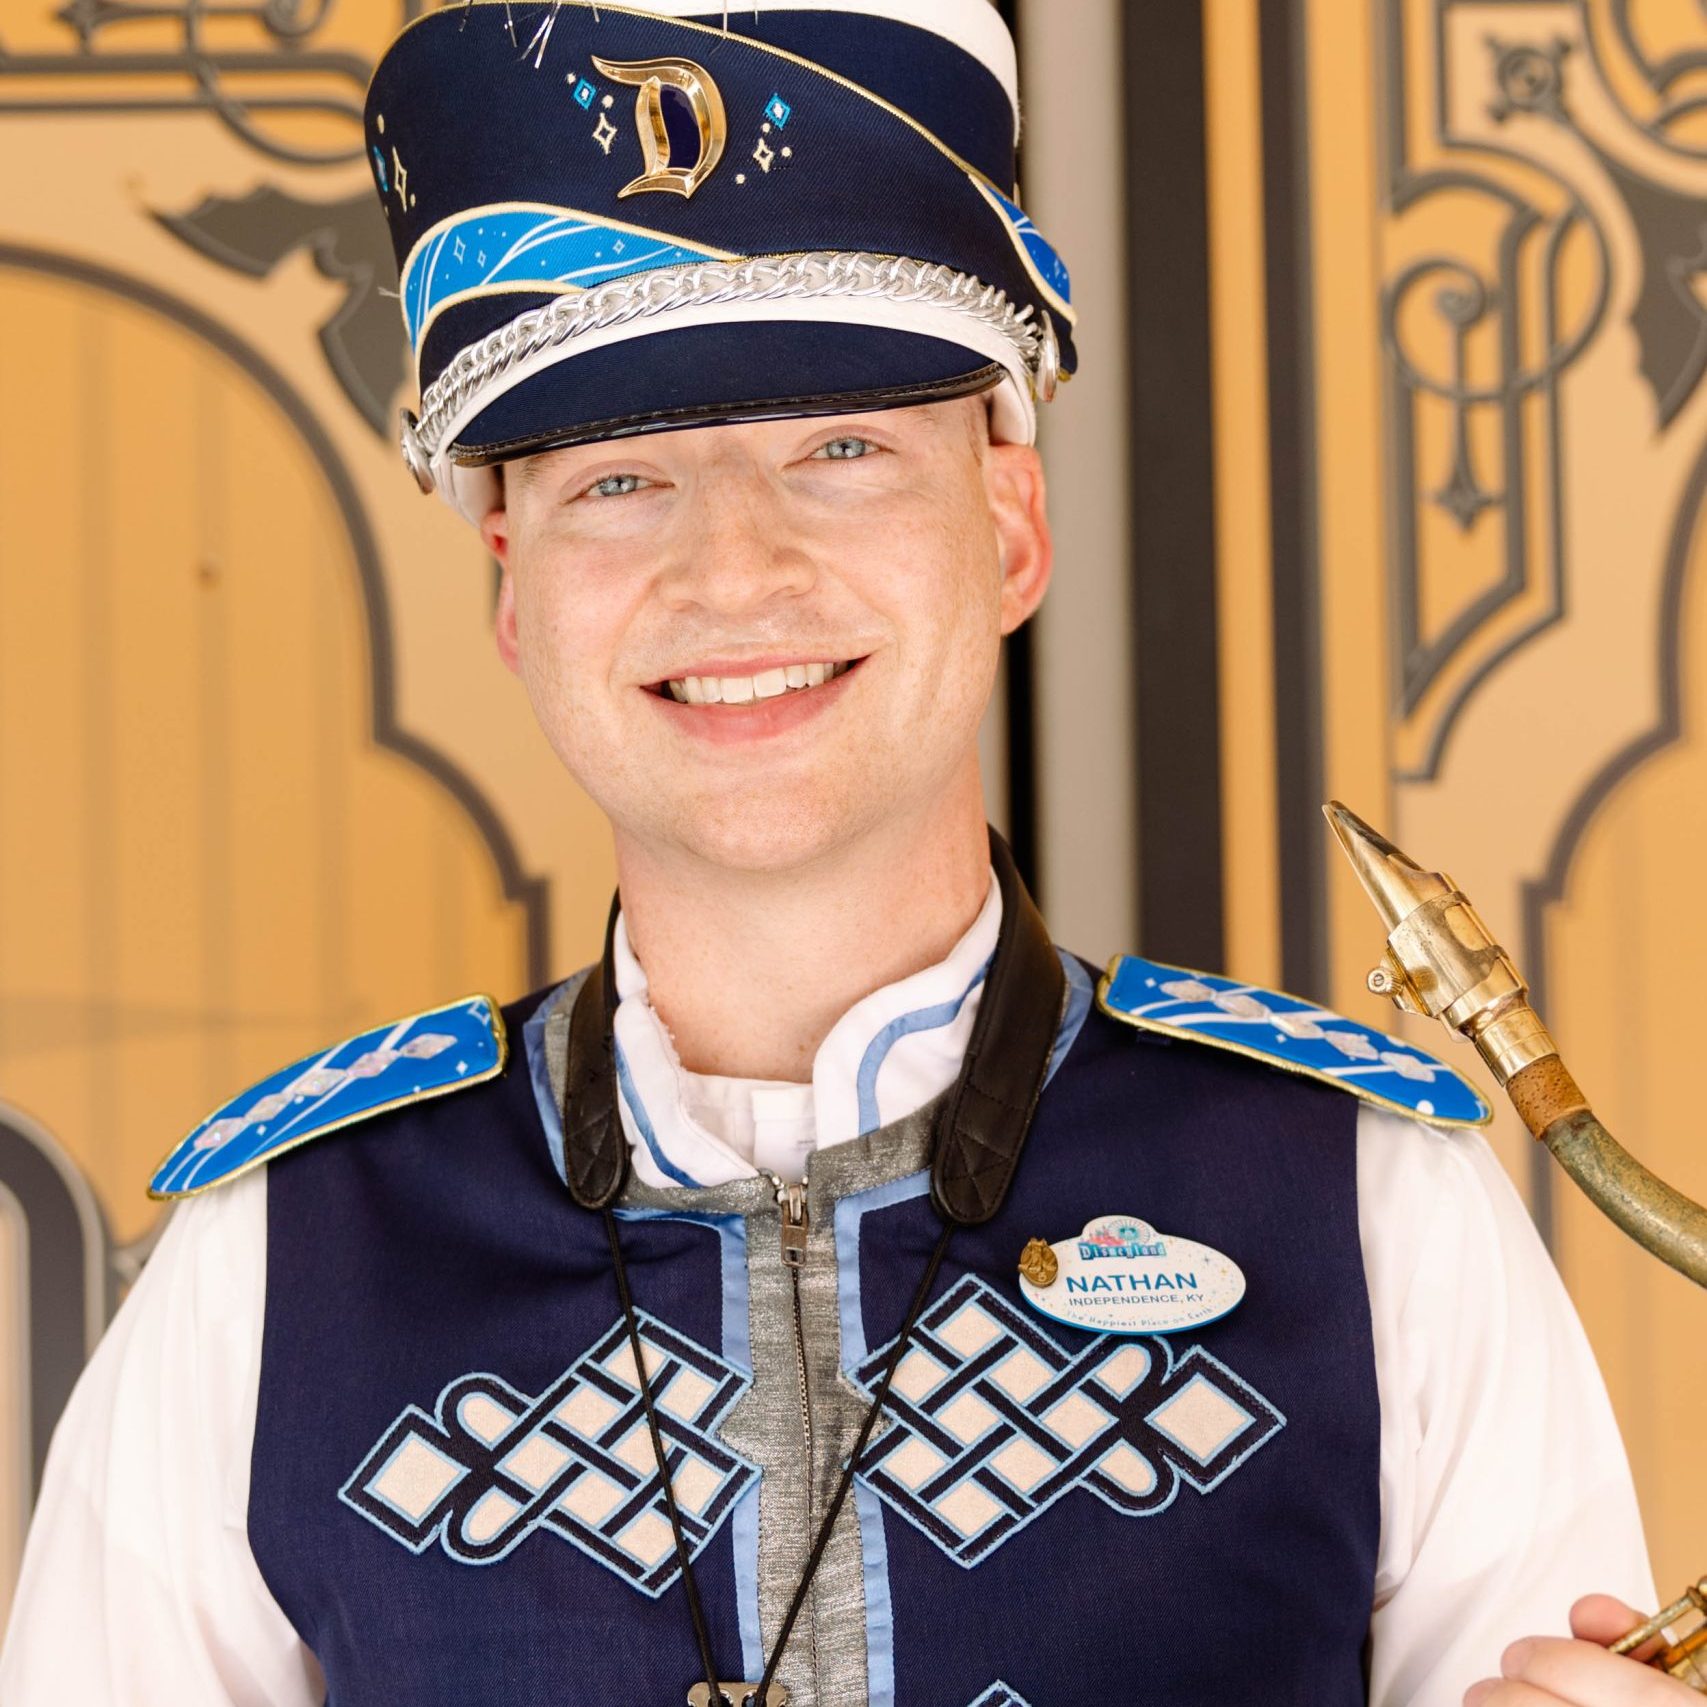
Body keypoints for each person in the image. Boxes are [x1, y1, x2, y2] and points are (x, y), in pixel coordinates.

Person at [0, 2, 1686, 1703]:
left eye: (843, 450)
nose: (734, 569)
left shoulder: (1377, 1206)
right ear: (512, 588)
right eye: (619, 480)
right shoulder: (277, 1257)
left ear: (1010, 526)